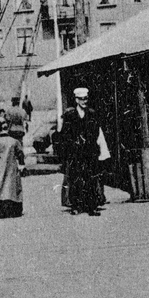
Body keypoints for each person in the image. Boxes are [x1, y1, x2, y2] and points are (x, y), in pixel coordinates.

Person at [58, 88, 105, 216]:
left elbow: (95, 131)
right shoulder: (70, 115)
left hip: (90, 151)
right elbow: (64, 134)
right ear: (76, 100)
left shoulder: (92, 113)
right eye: (81, 99)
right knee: (75, 178)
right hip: (75, 152)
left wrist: (89, 140)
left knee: (91, 178)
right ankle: (76, 206)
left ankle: (92, 206)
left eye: (86, 99)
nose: (84, 101)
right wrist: (74, 142)